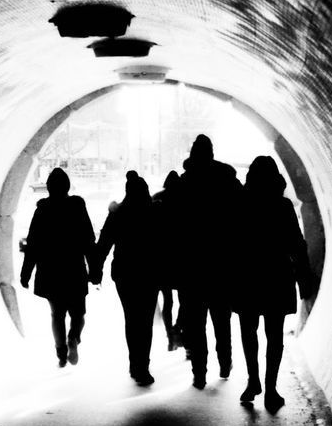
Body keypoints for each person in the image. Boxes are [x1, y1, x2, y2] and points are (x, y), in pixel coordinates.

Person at [233, 156, 316, 409]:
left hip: (247, 276)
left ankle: (253, 380)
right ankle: (270, 388)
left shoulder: (241, 205)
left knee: (248, 331)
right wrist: (304, 275)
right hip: (277, 275)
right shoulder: (283, 206)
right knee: (273, 334)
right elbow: (297, 244)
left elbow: (230, 243)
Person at [174, 134, 241, 389]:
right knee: (221, 319)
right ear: (212, 153)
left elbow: (172, 225)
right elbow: (242, 220)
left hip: (191, 265)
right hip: (222, 263)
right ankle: (225, 362)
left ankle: (199, 372)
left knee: (195, 322)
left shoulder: (184, 184)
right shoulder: (228, 182)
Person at [20, 167, 96, 368]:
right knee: (79, 313)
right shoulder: (77, 207)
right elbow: (88, 239)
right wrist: (95, 269)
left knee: (57, 315)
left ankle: (61, 352)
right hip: (74, 269)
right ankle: (74, 338)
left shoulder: (42, 210)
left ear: (49, 188)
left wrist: (25, 273)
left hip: (50, 270)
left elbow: (33, 244)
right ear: (67, 186)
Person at [91, 171, 160, 386]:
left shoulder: (118, 213)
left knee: (132, 318)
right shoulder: (154, 213)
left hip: (124, 272)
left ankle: (134, 363)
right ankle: (143, 366)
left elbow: (104, 243)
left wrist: (96, 270)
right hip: (150, 272)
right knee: (145, 320)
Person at [152, 170, 183, 351]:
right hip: (179, 258)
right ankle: (178, 327)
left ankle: (170, 335)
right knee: (185, 300)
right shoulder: (184, 201)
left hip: (161, 258)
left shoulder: (157, 199)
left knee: (168, 301)